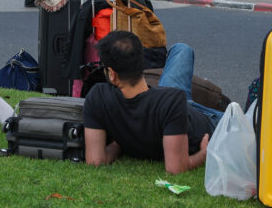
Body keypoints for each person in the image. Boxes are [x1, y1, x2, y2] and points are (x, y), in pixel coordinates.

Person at [83, 31, 222, 174]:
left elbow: (95, 161)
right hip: (209, 121)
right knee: (238, 118)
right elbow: (176, 168)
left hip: (173, 105)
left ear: (112, 74)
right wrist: (204, 153)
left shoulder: (97, 96)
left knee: (181, 49)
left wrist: (119, 143)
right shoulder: (171, 100)